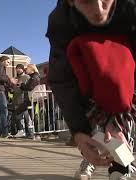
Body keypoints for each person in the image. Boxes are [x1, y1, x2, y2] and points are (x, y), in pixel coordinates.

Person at [46, 0, 136, 179]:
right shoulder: (61, 20)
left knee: (117, 117)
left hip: (126, 65)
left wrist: (118, 120)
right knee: (96, 126)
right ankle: (95, 154)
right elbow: (62, 79)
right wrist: (79, 130)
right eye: (87, 1)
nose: (99, 9)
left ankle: (123, 163)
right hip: (88, 73)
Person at [0, 55, 17, 138]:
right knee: (4, 111)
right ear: (3, 61)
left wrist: (10, 84)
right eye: (8, 61)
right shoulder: (0, 65)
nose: (9, 63)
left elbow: (0, 78)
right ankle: (4, 133)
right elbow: (0, 77)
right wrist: (10, 79)